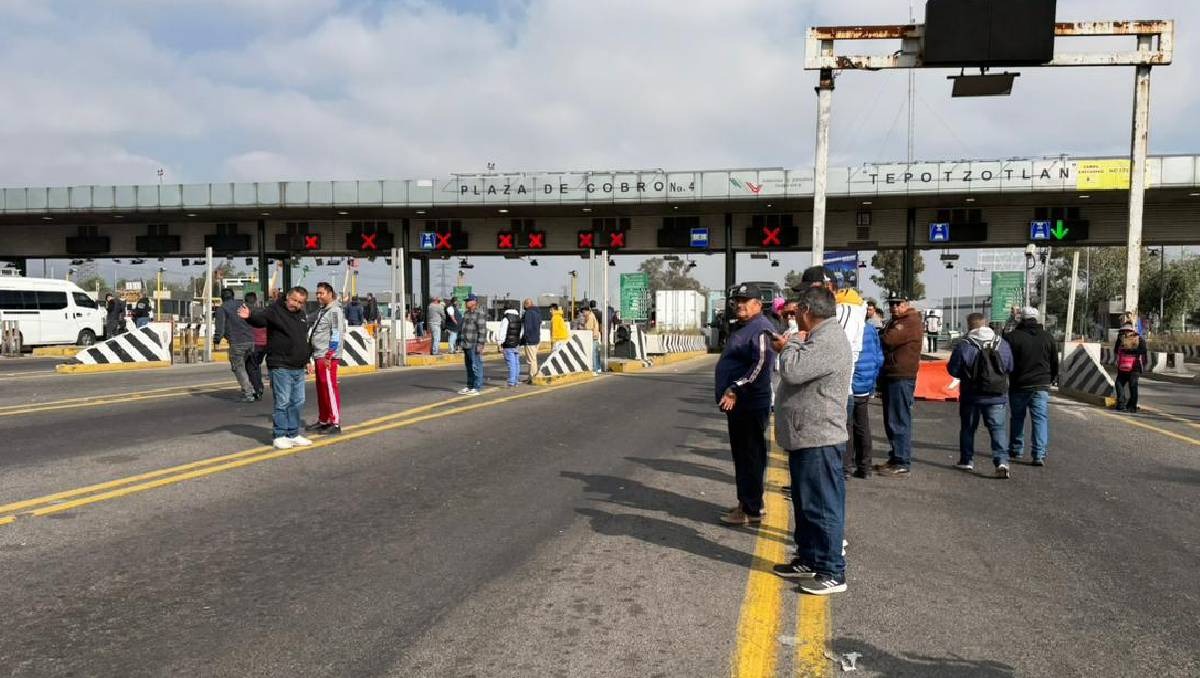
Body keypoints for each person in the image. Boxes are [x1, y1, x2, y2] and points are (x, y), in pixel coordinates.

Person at [770, 286, 853, 595]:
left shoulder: (828, 339)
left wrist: (789, 345)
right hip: (807, 434)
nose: (794, 319)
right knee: (807, 504)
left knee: (822, 506)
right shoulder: (820, 337)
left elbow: (792, 371)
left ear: (806, 311)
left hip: (819, 436)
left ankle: (833, 571)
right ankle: (809, 557)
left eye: (795, 313)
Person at [715, 283, 775, 527]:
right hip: (739, 405)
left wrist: (735, 388)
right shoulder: (744, 327)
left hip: (748, 402)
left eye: (746, 300)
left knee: (750, 456)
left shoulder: (760, 329)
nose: (740, 304)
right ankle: (748, 502)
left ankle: (751, 509)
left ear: (758, 305)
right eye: (737, 300)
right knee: (743, 455)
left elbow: (759, 366)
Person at [240, 286, 312, 450]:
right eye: (294, 300)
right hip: (280, 365)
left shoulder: (301, 315)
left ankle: (292, 434)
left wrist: (307, 359)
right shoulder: (275, 310)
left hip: (298, 366)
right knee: (283, 401)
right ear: (288, 297)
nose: (296, 304)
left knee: (298, 401)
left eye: (300, 302)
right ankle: (279, 435)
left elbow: (302, 339)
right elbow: (260, 319)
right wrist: (249, 316)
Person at [949, 313, 1015, 478]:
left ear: (969, 325)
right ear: (985, 324)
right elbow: (1010, 366)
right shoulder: (1002, 344)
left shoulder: (964, 345)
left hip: (971, 395)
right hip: (997, 396)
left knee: (968, 428)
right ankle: (1002, 462)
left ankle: (967, 461)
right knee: (997, 428)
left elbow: (953, 369)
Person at [875, 296, 924, 477]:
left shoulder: (909, 321)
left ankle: (902, 461)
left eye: (898, 304)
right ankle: (895, 458)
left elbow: (889, 339)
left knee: (898, 420)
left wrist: (881, 333)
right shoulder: (897, 321)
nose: (894, 307)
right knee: (892, 419)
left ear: (907, 304)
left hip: (901, 376)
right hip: (893, 375)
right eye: (892, 304)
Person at [1004, 307, 1058, 466]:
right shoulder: (1048, 337)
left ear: (1021, 319)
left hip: (1018, 385)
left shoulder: (1012, 337)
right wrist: (1051, 378)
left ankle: (1016, 449)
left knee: (1018, 418)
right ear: (1037, 319)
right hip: (1041, 385)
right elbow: (1054, 362)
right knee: (1040, 419)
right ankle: (1038, 454)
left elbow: (1005, 359)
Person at [306, 282, 346, 435]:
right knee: (321, 389)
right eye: (317, 293)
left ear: (330, 294)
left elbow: (336, 334)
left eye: (321, 293)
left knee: (329, 389)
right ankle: (323, 420)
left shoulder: (334, 311)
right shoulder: (323, 311)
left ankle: (335, 423)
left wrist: (330, 355)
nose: (318, 296)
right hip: (319, 355)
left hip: (327, 357)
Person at [217, 287, 257, 403]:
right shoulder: (243, 305)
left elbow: (220, 327)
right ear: (233, 296)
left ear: (222, 297)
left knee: (238, 368)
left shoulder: (222, 308)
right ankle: (253, 388)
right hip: (251, 341)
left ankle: (248, 393)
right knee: (246, 367)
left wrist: (217, 339)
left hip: (237, 342)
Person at [1114, 322, 1148, 413]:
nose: (1125, 333)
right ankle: (1124, 405)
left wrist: (1130, 351)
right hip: (1125, 367)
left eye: (1127, 330)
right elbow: (1116, 350)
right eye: (1124, 331)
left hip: (1133, 367)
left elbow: (1143, 351)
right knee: (1120, 384)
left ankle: (1130, 406)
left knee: (1130, 385)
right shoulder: (1121, 339)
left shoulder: (1138, 339)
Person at [457, 294, 487, 395]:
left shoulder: (479, 313)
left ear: (474, 302)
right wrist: (459, 341)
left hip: (474, 344)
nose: (466, 303)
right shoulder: (466, 313)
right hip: (466, 344)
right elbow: (463, 328)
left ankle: (477, 387)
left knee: (476, 365)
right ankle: (470, 386)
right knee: (469, 366)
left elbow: (482, 330)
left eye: (468, 301)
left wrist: (480, 344)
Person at [243, 291, 267, 401]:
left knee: (250, 367)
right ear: (256, 300)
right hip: (264, 343)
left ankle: (257, 389)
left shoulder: (245, 313)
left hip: (253, 344)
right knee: (256, 365)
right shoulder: (262, 311)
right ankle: (259, 386)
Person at [498, 307, 522, 387]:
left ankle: (511, 382)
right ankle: (516, 381)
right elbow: (520, 332)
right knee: (516, 363)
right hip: (516, 343)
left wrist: (499, 342)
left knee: (511, 364)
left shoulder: (506, 319)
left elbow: (503, 331)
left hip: (508, 344)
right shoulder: (518, 318)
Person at [520, 298, 542, 383]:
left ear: (526, 305)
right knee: (533, 359)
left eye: (523, 306)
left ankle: (533, 377)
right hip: (537, 338)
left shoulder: (528, 313)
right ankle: (531, 376)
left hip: (530, 340)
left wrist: (524, 339)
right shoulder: (538, 312)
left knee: (531, 360)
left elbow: (527, 328)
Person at [581, 307, 602, 374]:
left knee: (594, 355)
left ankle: (594, 370)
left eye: (584, 312)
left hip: (592, 337)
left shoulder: (589, 317)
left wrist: (582, 328)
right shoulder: (593, 315)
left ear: (587, 311)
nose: (583, 314)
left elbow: (588, 329)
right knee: (597, 354)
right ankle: (598, 368)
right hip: (596, 336)